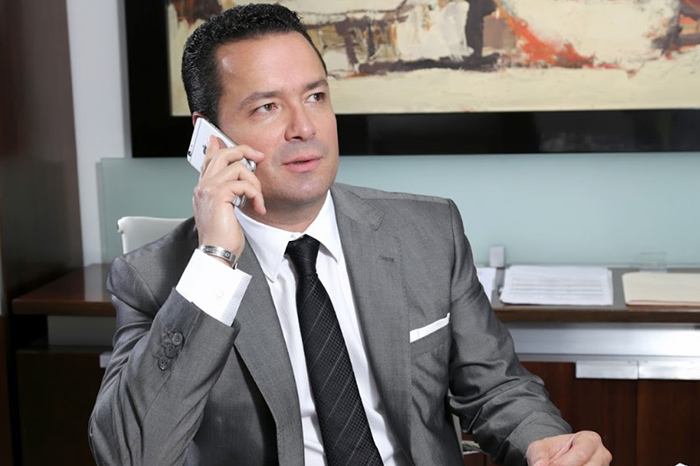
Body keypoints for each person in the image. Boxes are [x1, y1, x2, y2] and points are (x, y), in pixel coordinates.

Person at [89, 4, 612, 466]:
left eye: (315, 96)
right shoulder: (154, 278)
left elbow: (496, 387)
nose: (305, 127)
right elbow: (131, 454)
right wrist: (215, 261)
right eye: (268, 107)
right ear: (209, 139)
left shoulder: (429, 232)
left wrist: (544, 443)